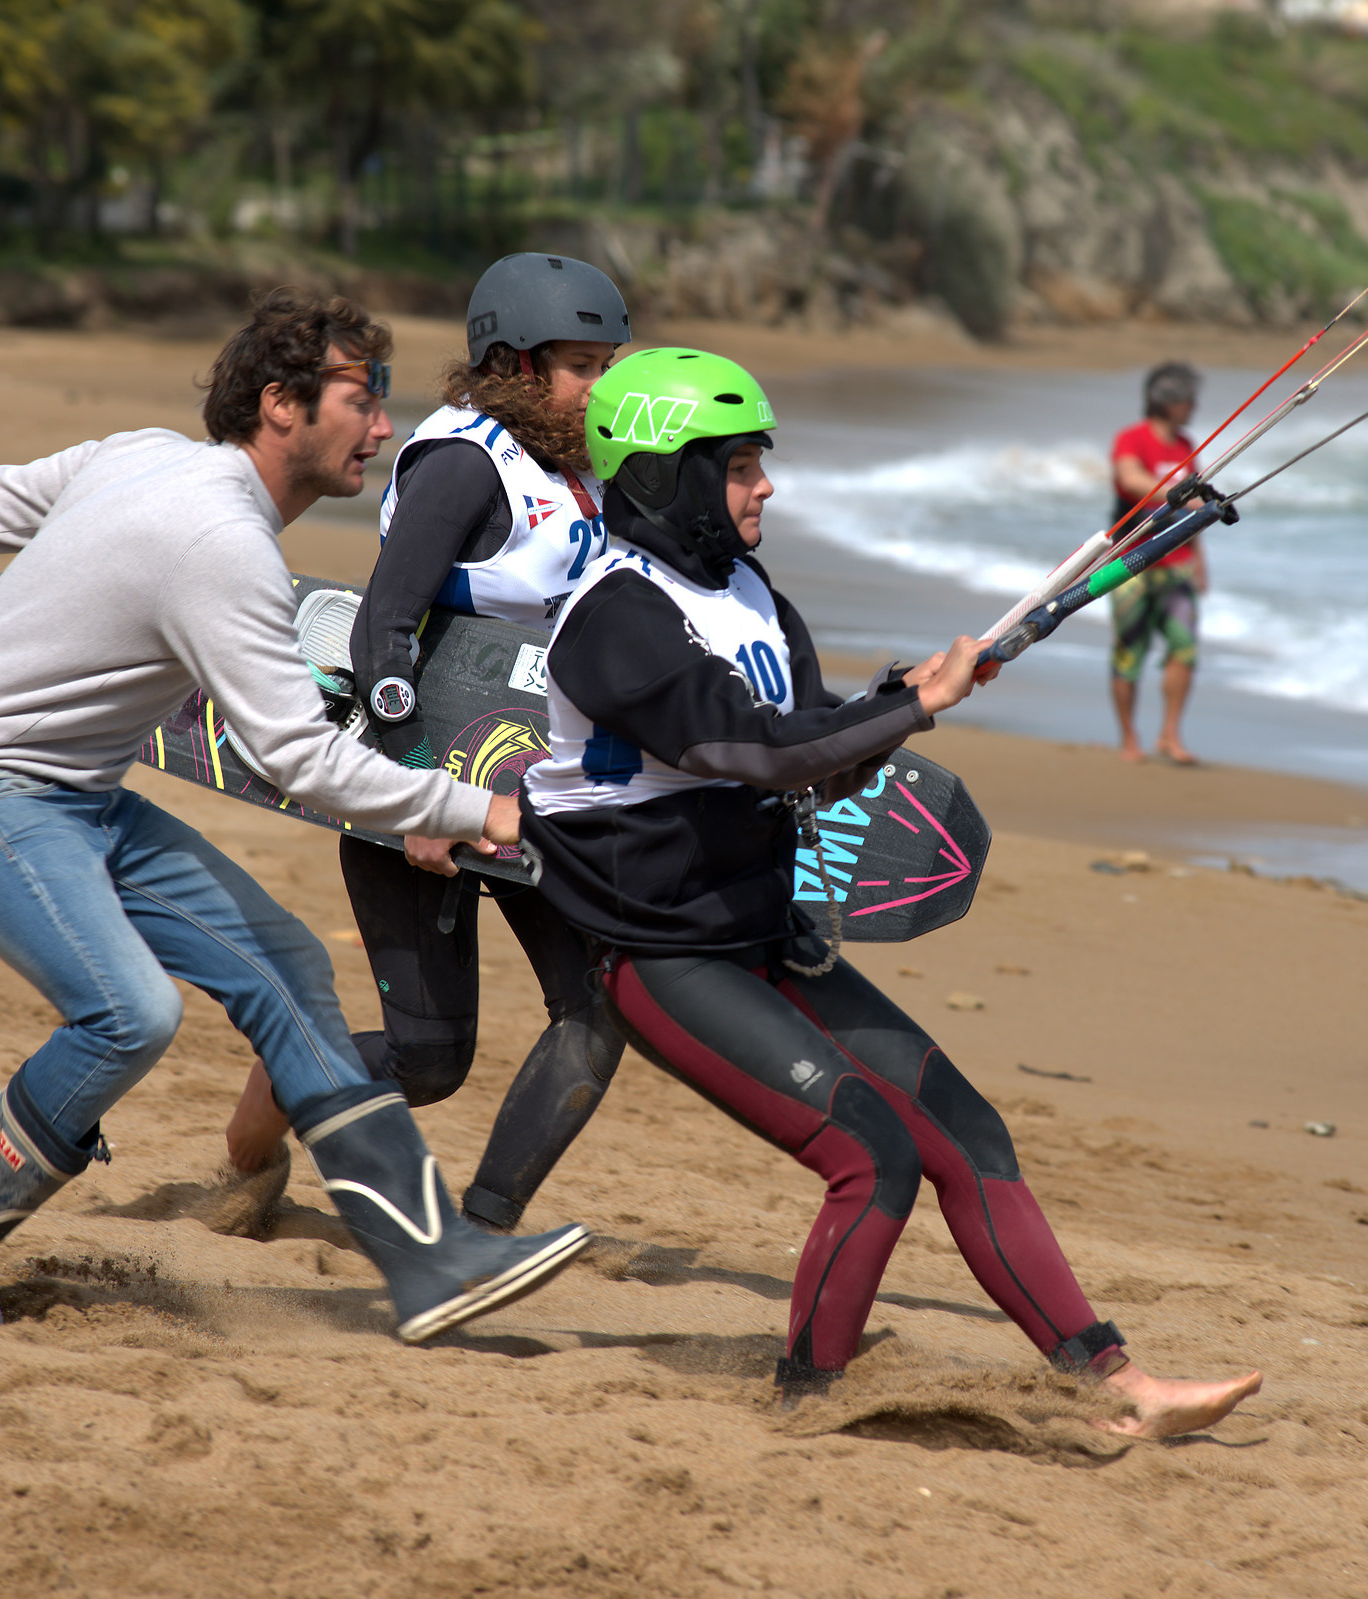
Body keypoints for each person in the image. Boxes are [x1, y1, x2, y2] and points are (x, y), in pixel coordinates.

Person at [0, 290, 588, 1344]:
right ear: (281, 404)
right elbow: (299, 756)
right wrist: (477, 809)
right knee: (131, 1013)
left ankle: (426, 1256)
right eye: (363, 401)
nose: (384, 427)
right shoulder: (219, 544)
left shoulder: (141, 457)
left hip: (75, 794)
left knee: (285, 964)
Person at [518, 345, 1264, 1434]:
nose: (764, 485)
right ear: (660, 477)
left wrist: (900, 698)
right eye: (737, 467)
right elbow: (753, 750)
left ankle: (1113, 1381)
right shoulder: (612, 617)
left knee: (968, 1132)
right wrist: (913, 708)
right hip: (662, 954)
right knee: (872, 1155)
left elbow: (815, 737)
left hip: (763, 931)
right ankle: (811, 1396)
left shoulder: (745, 590)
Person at [222, 254, 633, 1236]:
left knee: (597, 1012)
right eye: (583, 366)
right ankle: (251, 1141)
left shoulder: (588, 470)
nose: (602, 387)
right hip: (417, 786)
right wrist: (415, 795)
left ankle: (483, 1230)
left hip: (538, 795)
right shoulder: (464, 462)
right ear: (517, 365)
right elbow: (382, 632)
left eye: (610, 364)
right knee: (429, 1062)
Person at [1107, 361, 1209, 765]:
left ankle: (1169, 734)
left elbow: (1198, 509)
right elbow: (1130, 479)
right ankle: (1130, 738)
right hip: (1130, 562)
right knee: (1129, 652)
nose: (1194, 405)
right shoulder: (1131, 439)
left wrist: (1200, 559)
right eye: (1188, 398)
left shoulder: (1187, 446)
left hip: (1179, 563)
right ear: (1167, 401)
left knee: (1184, 649)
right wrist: (1177, 495)